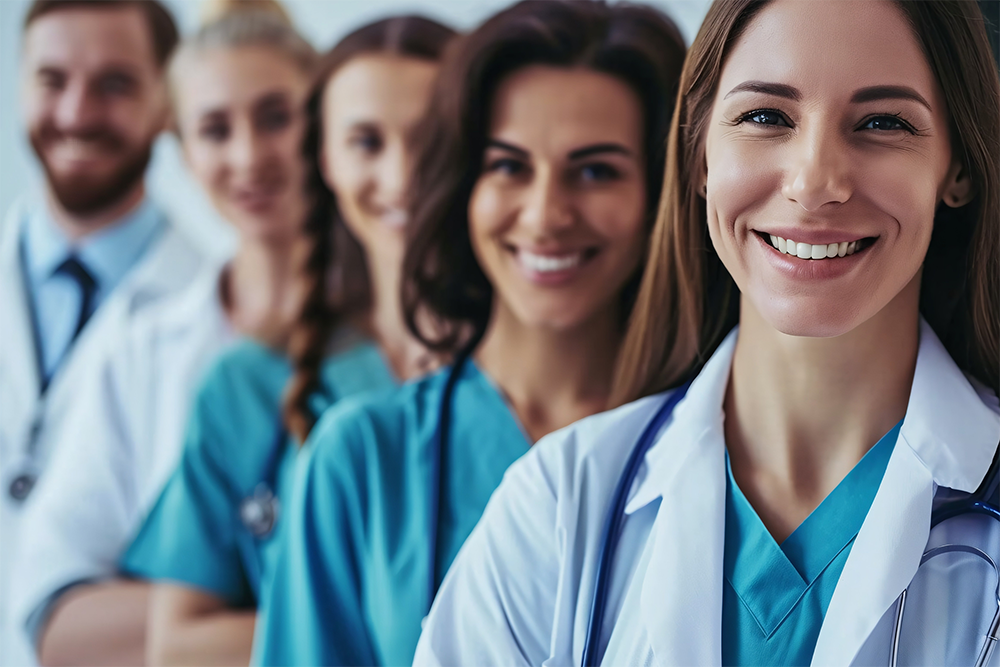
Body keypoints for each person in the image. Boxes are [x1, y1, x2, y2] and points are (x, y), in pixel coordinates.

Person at [413, 0, 1000, 664]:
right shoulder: (559, 504)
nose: (814, 182)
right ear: (698, 156)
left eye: (883, 122)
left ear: (958, 169)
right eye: (765, 117)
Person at [253, 1, 686, 665]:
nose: (546, 215)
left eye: (596, 170)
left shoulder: (724, 447)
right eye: (508, 166)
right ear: (460, 184)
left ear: (663, 191)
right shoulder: (362, 458)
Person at [118, 13, 457, 667]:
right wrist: (350, 619)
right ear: (326, 154)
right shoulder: (248, 381)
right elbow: (176, 643)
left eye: (432, 139)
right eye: (367, 140)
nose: (403, 173)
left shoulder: (532, 361)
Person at [5, 2, 321, 665]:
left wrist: (200, 615)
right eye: (214, 127)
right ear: (181, 141)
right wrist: (321, 606)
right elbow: (54, 618)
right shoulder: (143, 344)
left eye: (276, 118)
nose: (248, 155)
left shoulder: (397, 344)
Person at [0, 0, 201, 659]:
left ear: (168, 101)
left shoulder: (212, 310)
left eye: (114, 84)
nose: (76, 114)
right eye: (52, 80)